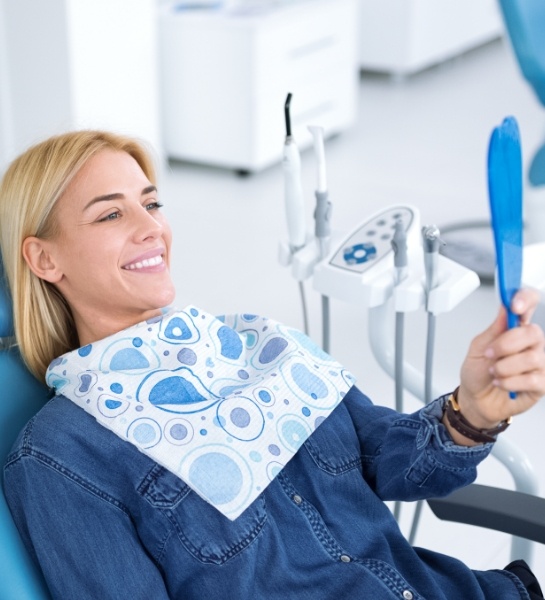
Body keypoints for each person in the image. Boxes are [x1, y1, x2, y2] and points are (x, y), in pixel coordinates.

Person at [1, 130, 544, 600]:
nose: (151, 229)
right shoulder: (60, 456)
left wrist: (472, 410)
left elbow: (394, 459)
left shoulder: (257, 344)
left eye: (152, 204)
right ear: (45, 259)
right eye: (111, 213)